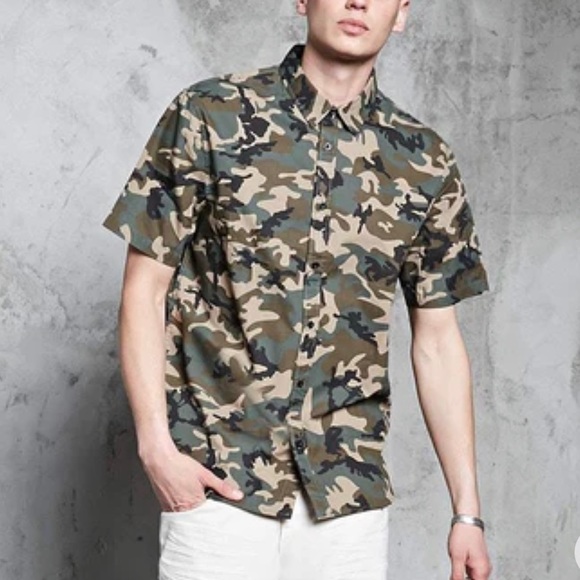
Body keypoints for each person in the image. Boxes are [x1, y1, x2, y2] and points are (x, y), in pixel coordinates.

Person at [102, 0, 493, 578]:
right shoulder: (210, 114)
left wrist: (467, 513)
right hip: (218, 482)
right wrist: (157, 448)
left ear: (402, 13)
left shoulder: (425, 161)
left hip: (347, 499)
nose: (358, 1)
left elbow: (437, 341)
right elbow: (144, 289)